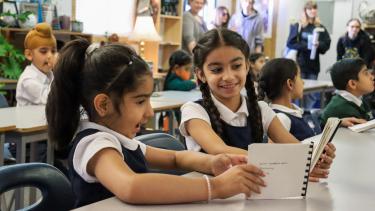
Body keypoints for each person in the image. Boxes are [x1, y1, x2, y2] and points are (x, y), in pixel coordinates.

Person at [46, 39, 267, 208]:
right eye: (141, 101)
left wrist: (212, 163)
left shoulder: (118, 138)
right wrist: (215, 187)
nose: (150, 112)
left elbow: (175, 157)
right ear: (103, 105)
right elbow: (131, 186)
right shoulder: (96, 144)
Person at [179, 28, 335, 182]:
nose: (228, 76)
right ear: (201, 74)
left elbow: (293, 147)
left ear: (247, 67)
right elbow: (219, 150)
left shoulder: (261, 109)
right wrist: (287, 161)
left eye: (236, 66)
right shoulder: (194, 111)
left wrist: (315, 156)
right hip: (209, 197)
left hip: (253, 194)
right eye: (217, 69)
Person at [258, 58, 366, 141]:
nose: (303, 82)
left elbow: (310, 128)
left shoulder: (295, 111)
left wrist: (337, 123)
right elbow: (274, 154)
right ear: (290, 84)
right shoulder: (281, 118)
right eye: (300, 76)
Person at [286, 1, 331, 109]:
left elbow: (326, 44)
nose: (313, 11)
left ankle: (307, 115)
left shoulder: (321, 27)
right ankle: (297, 114)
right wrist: (308, 45)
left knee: (312, 95)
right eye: (310, 8)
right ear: (305, 11)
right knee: (297, 93)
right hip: (299, 65)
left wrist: (318, 45)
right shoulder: (298, 25)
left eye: (314, 8)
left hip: (313, 66)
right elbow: (290, 43)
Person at [320, 58, 374, 126]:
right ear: (352, 84)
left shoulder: (358, 98)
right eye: (366, 74)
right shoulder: (343, 108)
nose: (372, 77)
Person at [16, 22, 57, 106]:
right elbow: (53, 100)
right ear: (29, 55)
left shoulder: (50, 74)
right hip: (28, 119)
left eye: (53, 51)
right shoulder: (27, 80)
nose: (50, 56)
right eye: (43, 51)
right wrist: (59, 69)